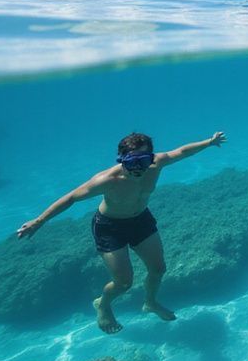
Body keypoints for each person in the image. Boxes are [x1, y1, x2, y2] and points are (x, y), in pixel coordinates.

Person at [16, 130, 226, 334]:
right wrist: (39, 221)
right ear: (121, 160)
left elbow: (181, 152)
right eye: (130, 163)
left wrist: (209, 142)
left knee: (158, 269)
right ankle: (103, 305)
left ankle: (150, 303)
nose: (137, 169)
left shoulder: (157, 163)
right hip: (109, 228)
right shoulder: (107, 180)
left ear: (151, 158)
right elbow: (71, 198)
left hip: (141, 221)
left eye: (142, 161)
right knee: (124, 283)